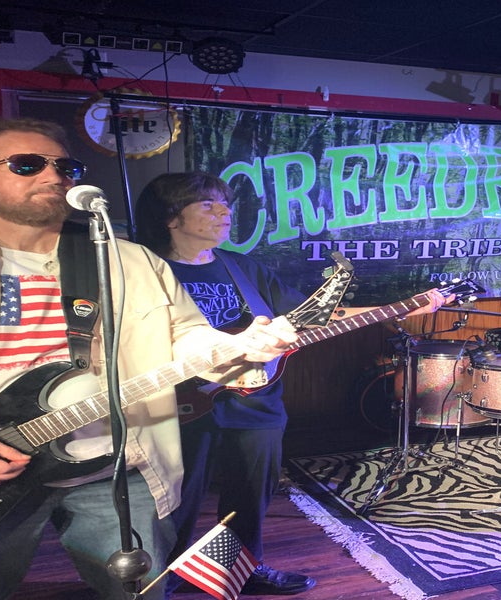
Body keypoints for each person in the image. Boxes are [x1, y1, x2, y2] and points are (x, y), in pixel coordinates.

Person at [0, 118, 297, 600]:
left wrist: (236, 348)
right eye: (27, 164)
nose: (53, 176)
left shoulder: (131, 261)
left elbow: (184, 337)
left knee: (139, 591)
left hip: (117, 464)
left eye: (65, 167)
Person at [132, 172, 449, 597]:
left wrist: (401, 308)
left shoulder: (240, 266)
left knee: (249, 497)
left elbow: (311, 318)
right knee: (175, 501)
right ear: (172, 217)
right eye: (208, 204)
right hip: (177, 404)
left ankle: (241, 571)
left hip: (255, 402)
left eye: (226, 204)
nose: (225, 212)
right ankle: (161, 581)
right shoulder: (145, 271)